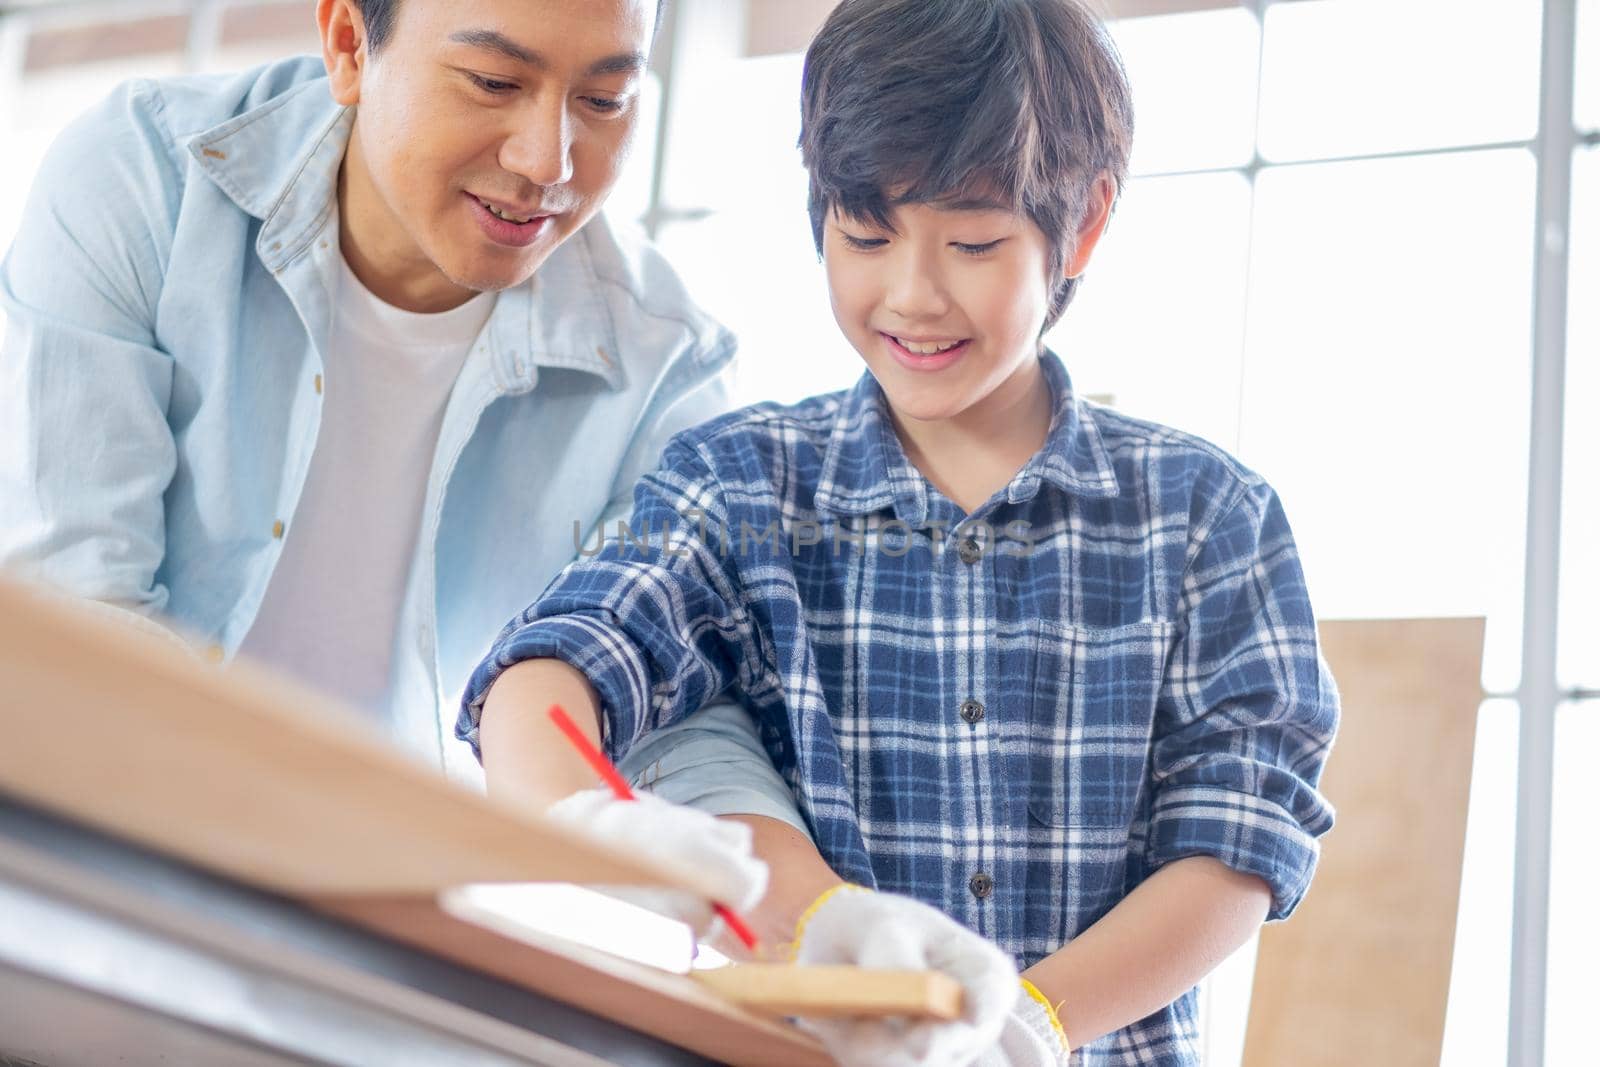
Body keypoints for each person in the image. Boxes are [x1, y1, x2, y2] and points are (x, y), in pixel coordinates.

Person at [458, 0, 1341, 1064]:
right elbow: (553, 668)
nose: (913, 296)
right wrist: (584, 824)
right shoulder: (741, 486)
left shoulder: (1205, 515)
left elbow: (1238, 844)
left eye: (973, 242)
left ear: (1086, 223)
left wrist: (1027, 1021)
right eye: (866, 236)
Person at [0, 0, 802, 935]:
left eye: (605, 98)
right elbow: (67, 618)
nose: (548, 160)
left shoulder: (668, 367)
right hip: (88, 873)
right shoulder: (144, 180)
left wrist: (809, 917)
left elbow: (682, 720)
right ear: (347, 42)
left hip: (402, 937)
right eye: (495, 83)